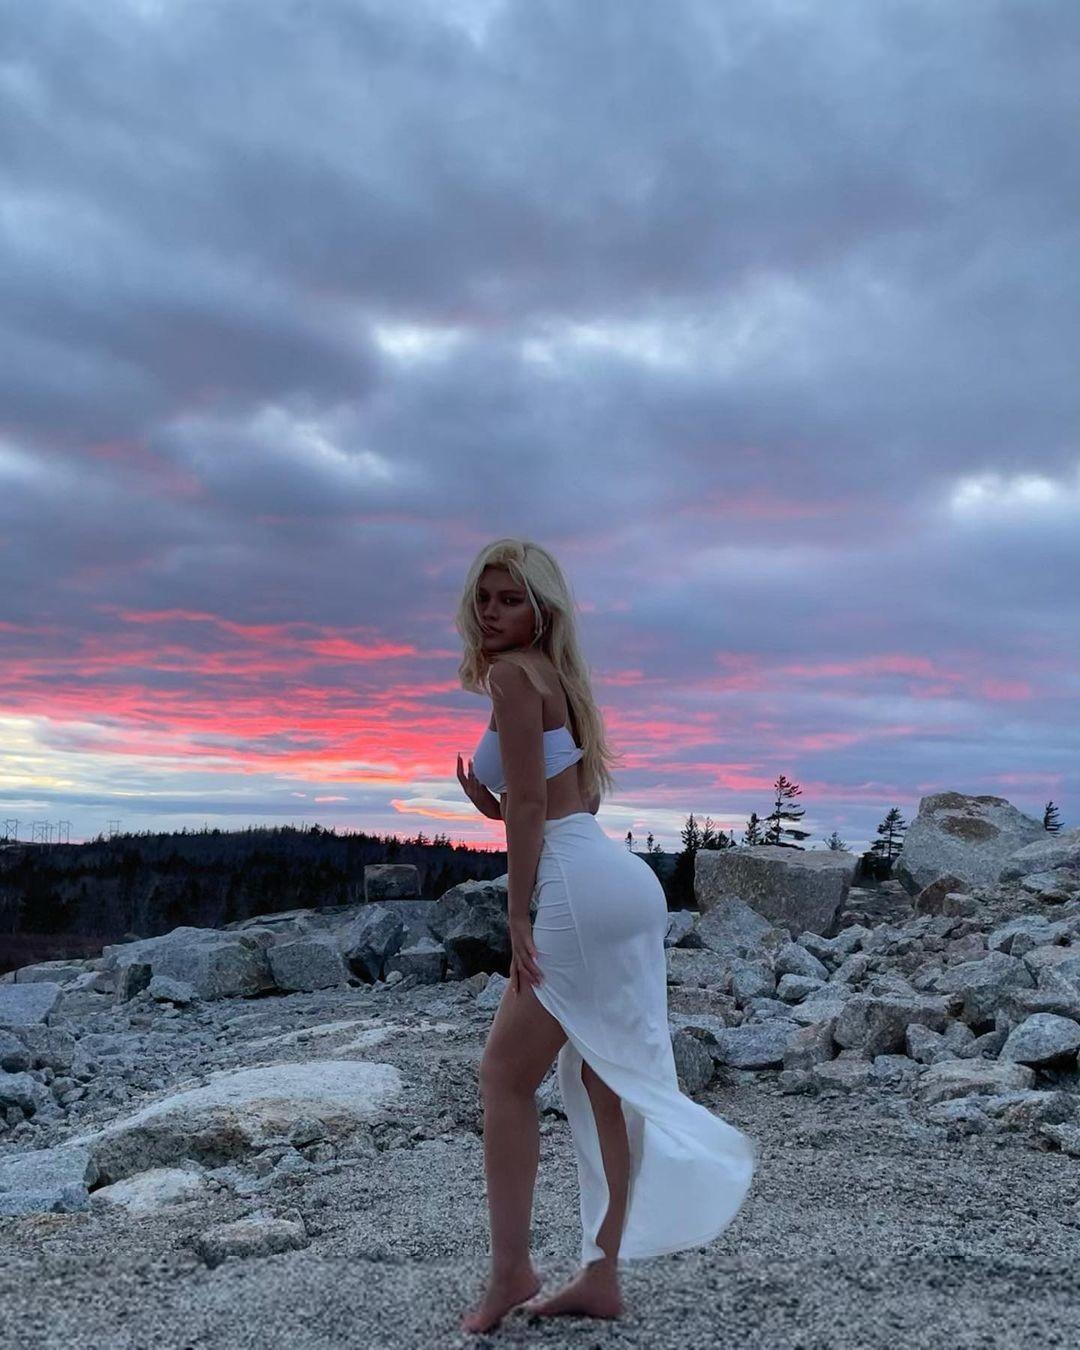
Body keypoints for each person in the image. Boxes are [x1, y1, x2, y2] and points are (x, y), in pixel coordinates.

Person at [454, 538, 757, 1334]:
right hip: (616, 879)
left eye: (510, 599)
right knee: (602, 1080)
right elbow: (569, 799)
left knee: (504, 1076)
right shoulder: (559, 678)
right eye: (484, 597)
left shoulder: (512, 677)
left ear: (541, 608)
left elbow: (534, 810)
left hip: (576, 888)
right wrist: (496, 806)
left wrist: (516, 914)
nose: (492, 612)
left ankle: (512, 1271)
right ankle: (601, 1276)